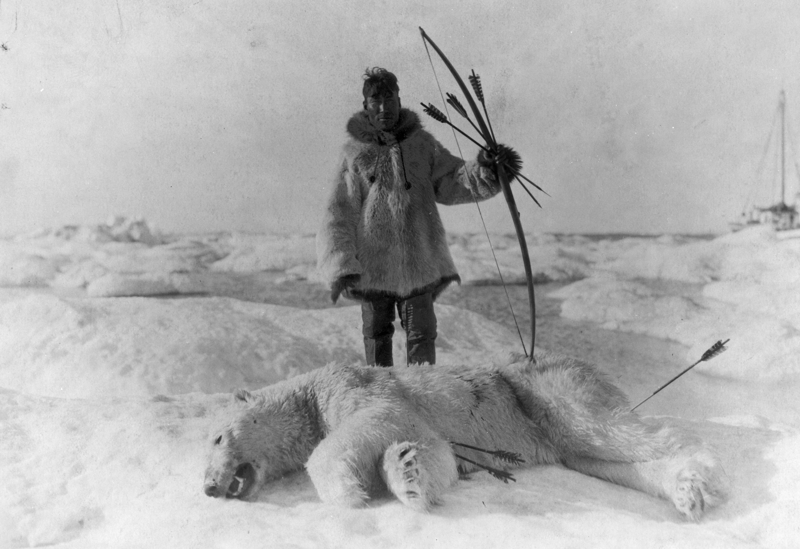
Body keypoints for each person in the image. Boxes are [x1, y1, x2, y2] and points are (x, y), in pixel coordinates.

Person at [316, 67, 509, 366]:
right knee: (376, 336)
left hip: (419, 262)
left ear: (399, 99)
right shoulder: (353, 153)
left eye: (389, 98)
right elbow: (338, 212)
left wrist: (487, 168)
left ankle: (423, 402)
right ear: (366, 105)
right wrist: (341, 264)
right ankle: (383, 403)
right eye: (375, 100)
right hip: (373, 267)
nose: (383, 106)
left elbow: (453, 179)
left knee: (422, 335)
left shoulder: (423, 145)